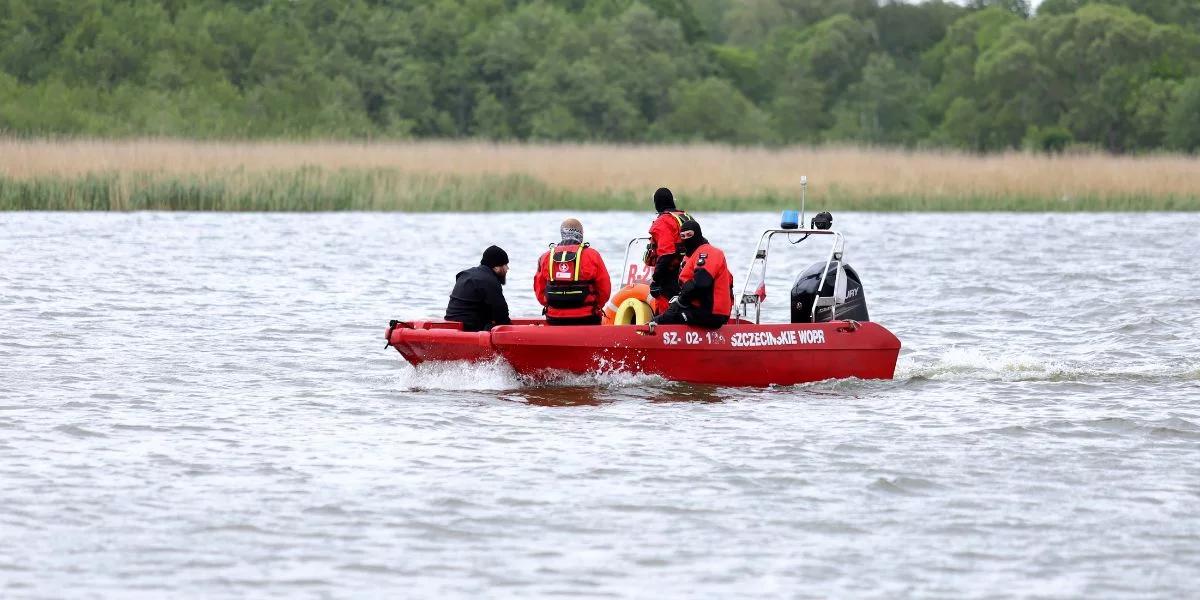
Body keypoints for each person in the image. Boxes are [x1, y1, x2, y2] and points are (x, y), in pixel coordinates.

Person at [653, 220, 733, 330]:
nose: (686, 238)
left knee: (665, 319)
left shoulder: (708, 252)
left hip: (711, 314)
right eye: (683, 236)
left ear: (698, 234)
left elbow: (701, 282)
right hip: (698, 309)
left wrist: (680, 302)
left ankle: (646, 336)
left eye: (689, 235)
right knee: (664, 316)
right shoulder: (690, 257)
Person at [534, 218, 611, 325]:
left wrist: (553, 307)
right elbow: (605, 290)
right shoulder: (593, 255)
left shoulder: (545, 257)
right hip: (587, 318)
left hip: (554, 318)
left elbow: (539, 290)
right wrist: (596, 307)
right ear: (581, 234)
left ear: (562, 234)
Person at [644, 187, 694, 312]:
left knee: (665, 311)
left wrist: (655, 280)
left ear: (656, 204)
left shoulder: (663, 222)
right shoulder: (686, 217)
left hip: (670, 277)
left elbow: (667, 254)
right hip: (691, 273)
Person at [444, 245, 512, 332]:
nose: (507, 268)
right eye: (505, 264)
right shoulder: (490, 280)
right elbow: (502, 315)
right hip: (469, 328)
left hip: (450, 322)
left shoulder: (465, 274)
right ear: (496, 267)